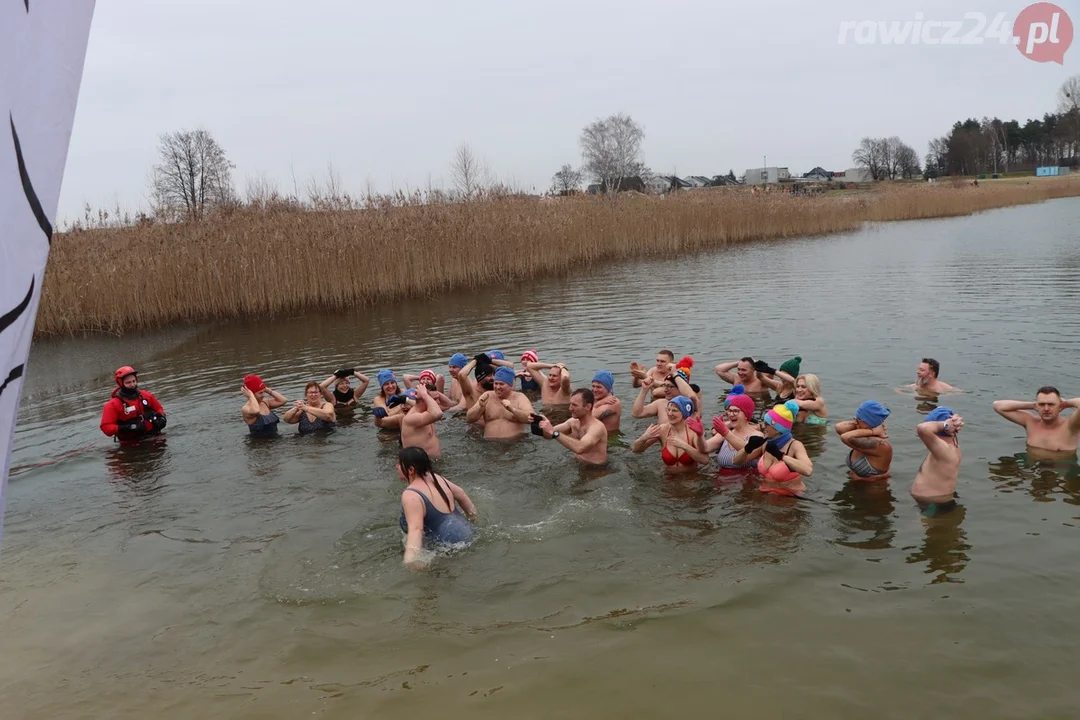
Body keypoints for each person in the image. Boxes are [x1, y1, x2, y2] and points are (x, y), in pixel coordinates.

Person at [397, 446, 478, 568]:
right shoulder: (435, 478)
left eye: (399, 464)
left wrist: (411, 560)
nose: (396, 467)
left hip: (448, 546)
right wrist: (473, 519)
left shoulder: (411, 494)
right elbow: (461, 494)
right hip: (469, 532)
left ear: (411, 470)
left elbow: (416, 529)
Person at [733, 400, 814, 497]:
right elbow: (736, 461)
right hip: (766, 493)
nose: (763, 426)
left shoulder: (795, 445)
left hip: (790, 497)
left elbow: (808, 470)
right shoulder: (766, 444)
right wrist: (747, 448)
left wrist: (781, 456)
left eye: (767, 424)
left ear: (777, 429)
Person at [631, 395, 709, 472]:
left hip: (691, 480)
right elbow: (636, 450)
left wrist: (684, 446)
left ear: (684, 413)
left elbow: (705, 460)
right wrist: (644, 437)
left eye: (674, 410)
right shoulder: (662, 430)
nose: (670, 413)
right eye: (668, 410)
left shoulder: (693, 432)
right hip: (668, 479)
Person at [992, 386, 1080, 453]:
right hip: (1033, 469)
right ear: (1036, 406)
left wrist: (1067, 403)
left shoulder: (1070, 426)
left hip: (1062, 471)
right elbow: (998, 405)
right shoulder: (1030, 422)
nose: (1046, 409)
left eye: (1051, 404)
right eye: (1042, 404)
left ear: (1060, 406)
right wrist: (1033, 405)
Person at [912, 406, 964, 516]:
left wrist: (944, 425)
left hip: (931, 504)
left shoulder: (945, 451)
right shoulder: (952, 445)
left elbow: (922, 429)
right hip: (937, 500)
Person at [698, 385, 763, 472]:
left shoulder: (757, 435)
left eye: (736, 411)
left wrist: (725, 433)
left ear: (746, 415)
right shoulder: (726, 433)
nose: (731, 414)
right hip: (722, 483)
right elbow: (705, 448)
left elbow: (748, 450)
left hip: (745, 483)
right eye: (729, 410)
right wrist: (699, 435)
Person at [537, 388, 609, 465]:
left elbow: (580, 448)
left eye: (574, 405)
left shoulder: (597, 428)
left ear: (588, 407)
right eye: (570, 404)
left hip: (595, 469)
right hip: (577, 462)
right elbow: (548, 435)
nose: (570, 408)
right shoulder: (572, 422)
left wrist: (554, 433)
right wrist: (538, 422)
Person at [100, 366, 168, 443]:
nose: (132, 385)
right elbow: (106, 428)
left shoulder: (146, 396)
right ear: (120, 383)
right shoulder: (113, 404)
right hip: (130, 443)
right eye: (128, 382)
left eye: (134, 381)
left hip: (154, 437)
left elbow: (159, 409)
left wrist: (162, 418)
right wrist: (130, 427)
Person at [465, 366, 535, 439]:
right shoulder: (487, 396)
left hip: (514, 444)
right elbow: (469, 419)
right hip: (489, 444)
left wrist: (512, 409)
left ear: (510, 385)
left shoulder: (520, 397)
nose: (498, 387)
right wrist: (479, 407)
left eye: (501, 384)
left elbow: (530, 418)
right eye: (496, 383)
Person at [834, 400, 893, 481]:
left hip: (873, 490)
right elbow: (838, 427)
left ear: (869, 422)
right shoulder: (861, 434)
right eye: (855, 419)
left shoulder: (881, 444)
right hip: (853, 486)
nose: (855, 421)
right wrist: (862, 424)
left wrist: (873, 431)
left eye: (858, 420)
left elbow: (845, 437)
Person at [399, 385, 445, 458]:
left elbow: (449, 405)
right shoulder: (411, 418)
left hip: (433, 462)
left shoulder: (426, 412)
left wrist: (407, 400)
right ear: (424, 399)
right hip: (419, 466)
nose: (438, 402)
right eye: (434, 399)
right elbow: (438, 414)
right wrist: (424, 394)